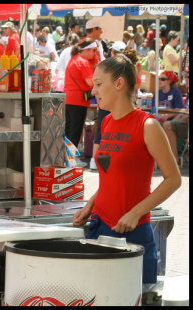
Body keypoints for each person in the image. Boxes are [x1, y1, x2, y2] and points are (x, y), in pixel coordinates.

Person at [73, 50, 181, 289]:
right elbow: (111, 176)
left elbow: (174, 179)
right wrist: (92, 201)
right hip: (99, 228)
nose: (94, 91)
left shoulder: (147, 125)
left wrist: (135, 213)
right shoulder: (107, 121)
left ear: (119, 83)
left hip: (133, 234)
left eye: (99, 84)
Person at [64, 38, 96, 150]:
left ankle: (66, 157)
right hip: (78, 101)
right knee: (75, 131)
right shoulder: (83, 62)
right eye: (94, 50)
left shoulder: (73, 59)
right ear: (87, 50)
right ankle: (71, 158)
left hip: (68, 98)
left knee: (68, 129)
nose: (95, 53)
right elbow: (90, 82)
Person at [162, 67, 189, 164]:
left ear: (169, 81)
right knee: (155, 123)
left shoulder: (176, 92)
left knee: (167, 125)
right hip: (183, 122)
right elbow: (182, 111)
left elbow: (183, 112)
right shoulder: (158, 93)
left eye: (188, 77)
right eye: (185, 77)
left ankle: (174, 159)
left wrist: (171, 119)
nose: (185, 79)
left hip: (186, 124)